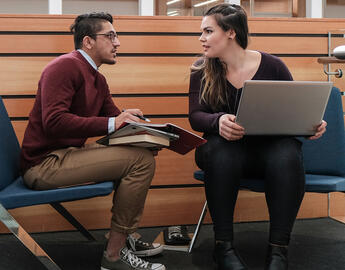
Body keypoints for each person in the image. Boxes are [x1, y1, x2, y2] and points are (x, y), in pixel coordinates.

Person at [20, 12, 165, 270]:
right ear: (88, 41)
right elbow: (54, 121)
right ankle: (113, 255)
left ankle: (124, 238)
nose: (117, 42)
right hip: (43, 165)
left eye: (116, 36)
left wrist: (141, 133)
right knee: (139, 162)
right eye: (110, 36)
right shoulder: (64, 66)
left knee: (139, 151)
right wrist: (114, 122)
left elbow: (113, 119)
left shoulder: (98, 78)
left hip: (68, 155)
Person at [188, 4, 326, 270]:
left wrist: (312, 124)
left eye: (208, 31)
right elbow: (195, 116)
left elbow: (292, 111)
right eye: (201, 32)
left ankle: (278, 251)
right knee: (221, 151)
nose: (201, 38)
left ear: (230, 32)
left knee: (287, 152)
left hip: (267, 154)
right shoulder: (201, 68)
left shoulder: (273, 66)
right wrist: (217, 121)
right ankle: (223, 247)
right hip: (223, 152)